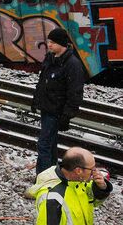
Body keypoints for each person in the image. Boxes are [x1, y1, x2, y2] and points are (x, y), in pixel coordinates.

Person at [32, 28, 86, 175]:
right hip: (47, 108)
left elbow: (75, 92)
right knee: (50, 145)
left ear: (62, 44)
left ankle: (42, 180)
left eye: (53, 42)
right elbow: (43, 82)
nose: (49, 45)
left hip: (56, 112)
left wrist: (66, 115)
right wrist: (36, 101)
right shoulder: (50, 58)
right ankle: (52, 175)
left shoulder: (72, 64)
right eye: (49, 41)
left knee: (44, 145)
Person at [26, 146, 113, 225]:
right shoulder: (52, 198)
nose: (95, 172)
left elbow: (94, 201)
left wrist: (101, 188)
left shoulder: (80, 180)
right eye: (92, 169)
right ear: (78, 170)